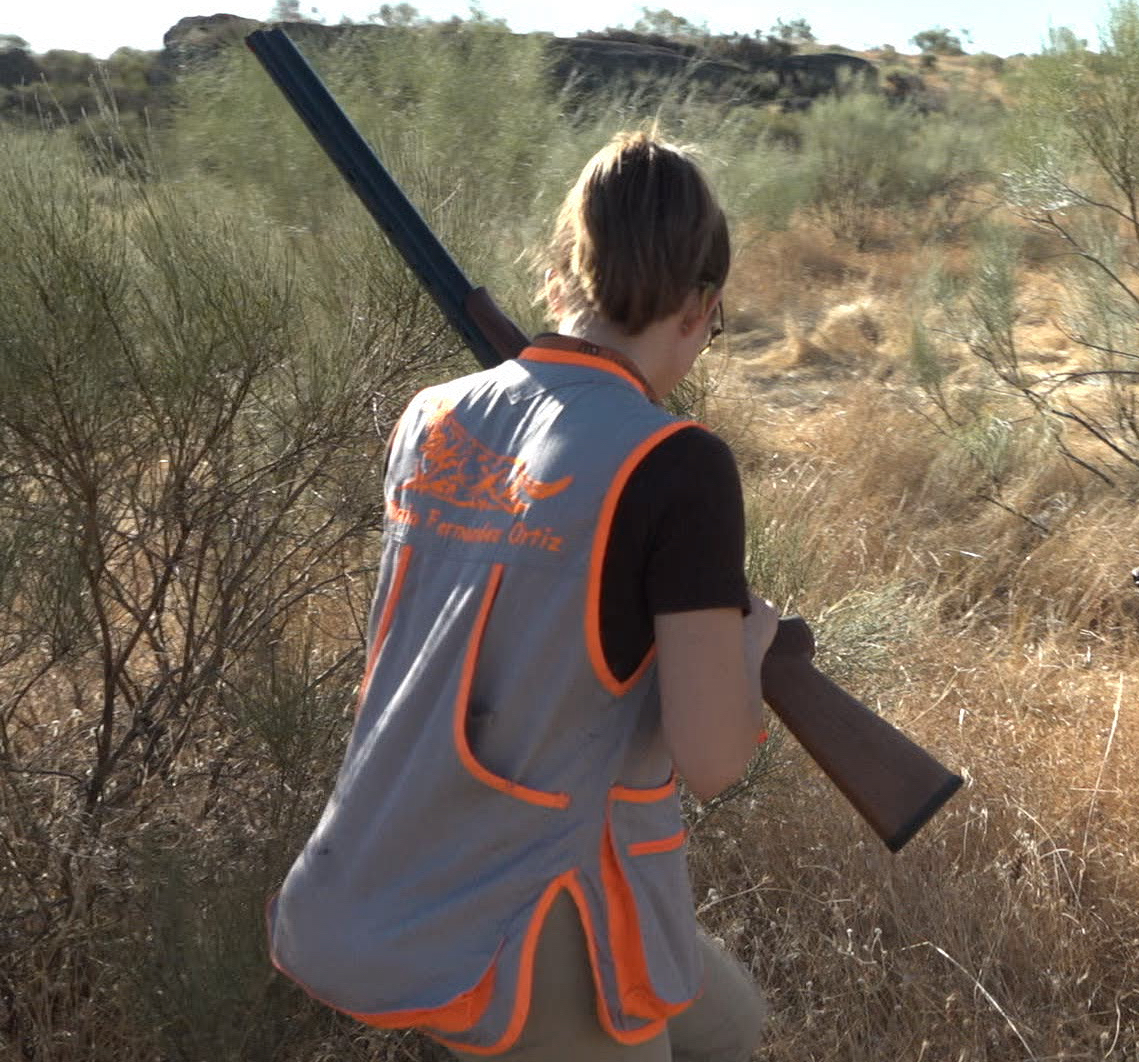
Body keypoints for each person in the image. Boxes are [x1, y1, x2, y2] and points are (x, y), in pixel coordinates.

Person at [267, 129, 774, 1062]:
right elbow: (712, 761)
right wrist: (752, 652)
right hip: (533, 900)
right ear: (703, 309)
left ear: (557, 278)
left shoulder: (431, 416)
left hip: (400, 862)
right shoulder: (676, 463)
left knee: (733, 1027)